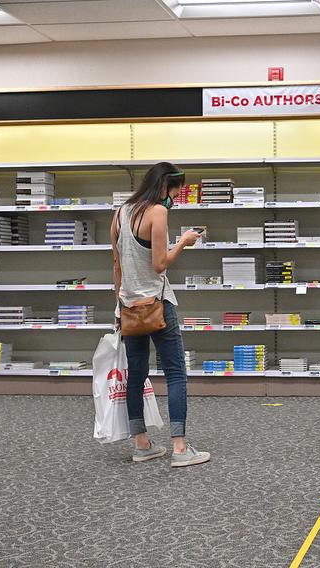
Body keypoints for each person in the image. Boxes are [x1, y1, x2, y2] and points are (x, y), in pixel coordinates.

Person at [110, 161, 210, 468]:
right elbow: (159, 264)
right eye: (175, 192)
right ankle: (180, 447)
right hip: (157, 306)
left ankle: (141, 444)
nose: (175, 198)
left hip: (129, 308)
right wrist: (184, 241)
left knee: (136, 375)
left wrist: (118, 307)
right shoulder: (158, 213)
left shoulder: (120, 212)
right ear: (165, 186)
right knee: (176, 373)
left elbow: (117, 265)